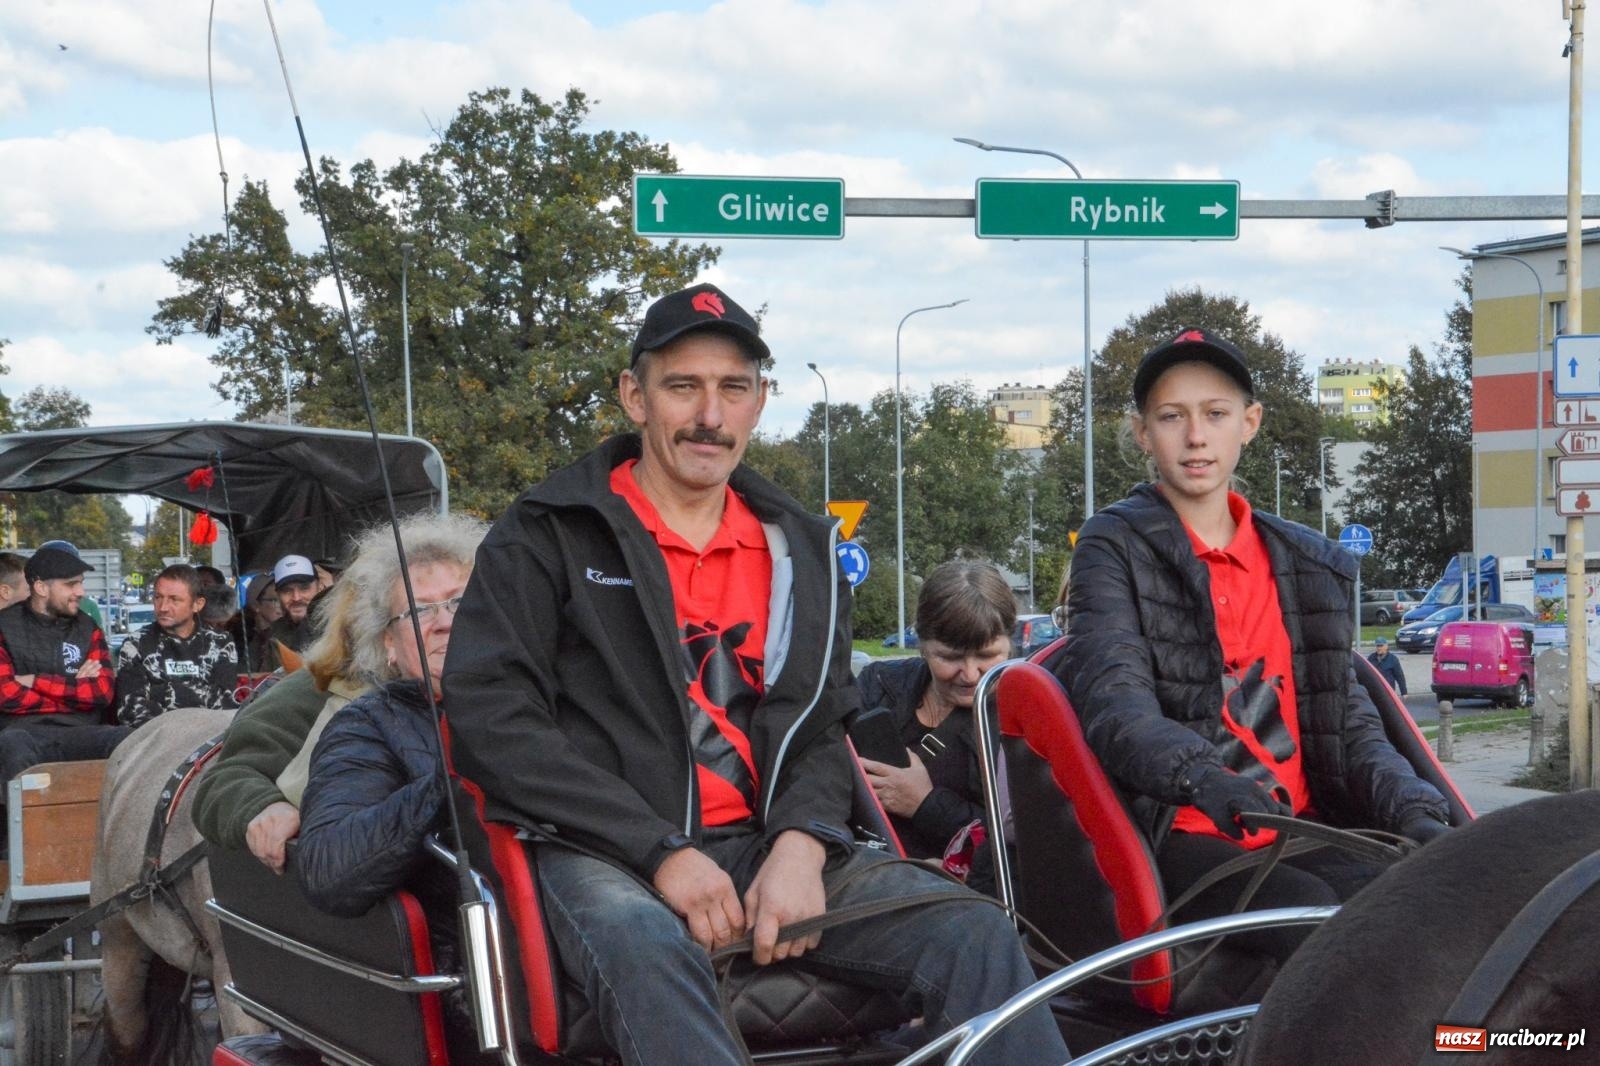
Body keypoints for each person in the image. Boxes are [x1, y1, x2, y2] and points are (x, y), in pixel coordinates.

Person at [443, 283, 1068, 1066]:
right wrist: (661, 852)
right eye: (683, 387)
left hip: (769, 839)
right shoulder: (547, 534)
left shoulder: (801, 547)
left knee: (974, 930)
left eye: (733, 388)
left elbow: (821, 719)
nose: (710, 414)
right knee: (649, 947)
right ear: (634, 397)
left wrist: (803, 845)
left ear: (760, 402)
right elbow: (490, 719)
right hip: (602, 851)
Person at [1054, 327, 1450, 966]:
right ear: (1140, 433)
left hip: (1304, 825)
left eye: (1215, 414)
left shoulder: (1301, 560)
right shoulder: (1113, 545)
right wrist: (1202, 777)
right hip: (1184, 833)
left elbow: (1345, 721)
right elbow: (1115, 707)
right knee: (1331, 941)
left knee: (1436, 922)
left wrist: (1412, 807)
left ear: (1250, 423)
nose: (1195, 436)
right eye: (1171, 417)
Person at [295, 514, 486, 914]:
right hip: (476, 943)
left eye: (460, 601)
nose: (446, 623)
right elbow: (328, 870)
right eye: (420, 612)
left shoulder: (549, 697)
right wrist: (453, 777)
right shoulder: (366, 725)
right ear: (390, 645)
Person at [193, 574, 370, 874]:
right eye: (284, 592)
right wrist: (265, 805)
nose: (295, 597)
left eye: (304, 588)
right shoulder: (315, 673)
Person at [853, 560, 1014, 886]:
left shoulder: (1019, 719)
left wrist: (924, 804)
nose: (970, 675)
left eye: (987, 656)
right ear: (921, 643)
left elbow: (1022, 837)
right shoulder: (878, 685)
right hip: (867, 879)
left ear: (1009, 642)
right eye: (950, 657)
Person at [0, 547, 127, 782]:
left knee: (126, 739)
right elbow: (6, 695)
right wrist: (73, 692)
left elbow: (102, 692)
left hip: (82, 731)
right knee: (12, 745)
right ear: (41, 587)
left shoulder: (88, 628)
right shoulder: (5, 627)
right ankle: (22, 819)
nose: (80, 591)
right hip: (25, 733)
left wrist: (34, 681)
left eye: (81, 583)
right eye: (71, 584)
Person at [115, 563, 241, 729]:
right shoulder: (135, 643)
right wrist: (200, 692)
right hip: (155, 742)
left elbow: (225, 704)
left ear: (198, 604)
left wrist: (160, 691)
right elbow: (130, 710)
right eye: (158, 597)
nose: (163, 607)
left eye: (174, 599)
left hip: (207, 741)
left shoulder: (220, 642)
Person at [261, 554, 318, 670]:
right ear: (278, 595)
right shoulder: (276, 631)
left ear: (319, 586)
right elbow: (268, 679)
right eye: (287, 591)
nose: (296, 597)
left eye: (304, 588)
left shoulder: (336, 625)